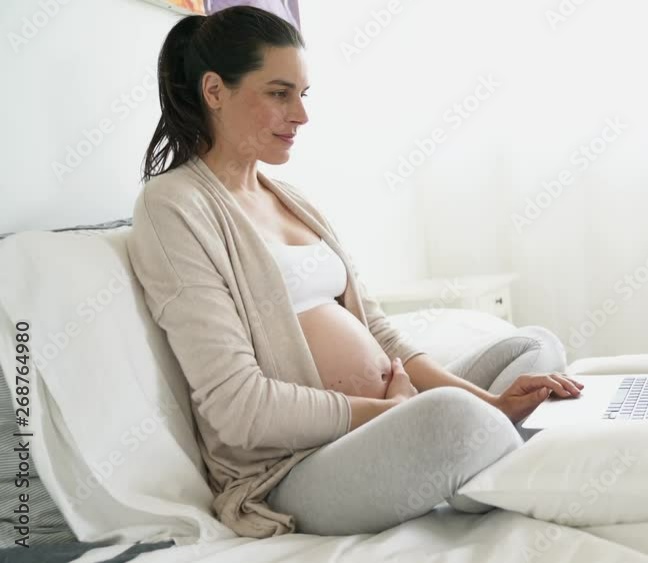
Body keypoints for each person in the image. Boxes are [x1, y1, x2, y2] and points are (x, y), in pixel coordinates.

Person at [126, 5, 582, 538]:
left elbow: (380, 333)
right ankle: (480, 452)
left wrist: (494, 403)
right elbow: (240, 410)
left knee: (533, 349)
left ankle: (487, 442)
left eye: (303, 94)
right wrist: (390, 411)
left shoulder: (290, 198)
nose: (301, 115)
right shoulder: (173, 207)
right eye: (279, 93)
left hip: (388, 411)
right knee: (454, 423)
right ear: (214, 91)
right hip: (296, 466)